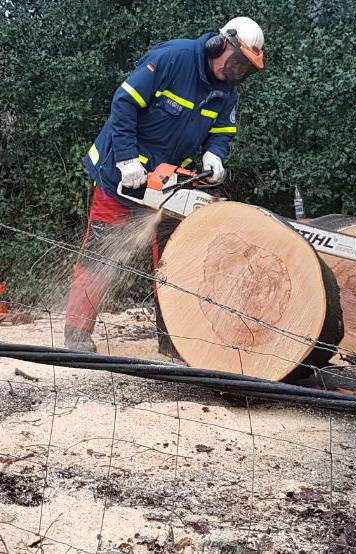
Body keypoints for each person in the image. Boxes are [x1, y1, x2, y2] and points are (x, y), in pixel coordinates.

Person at [64, 16, 265, 353]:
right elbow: (124, 104)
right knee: (100, 252)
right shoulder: (175, 58)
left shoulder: (227, 89)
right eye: (238, 61)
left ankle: (171, 341)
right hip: (121, 176)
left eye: (246, 67)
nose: (239, 71)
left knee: (174, 259)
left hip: (171, 183)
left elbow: (222, 131)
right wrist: (127, 159)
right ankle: (77, 334)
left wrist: (215, 155)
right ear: (221, 44)